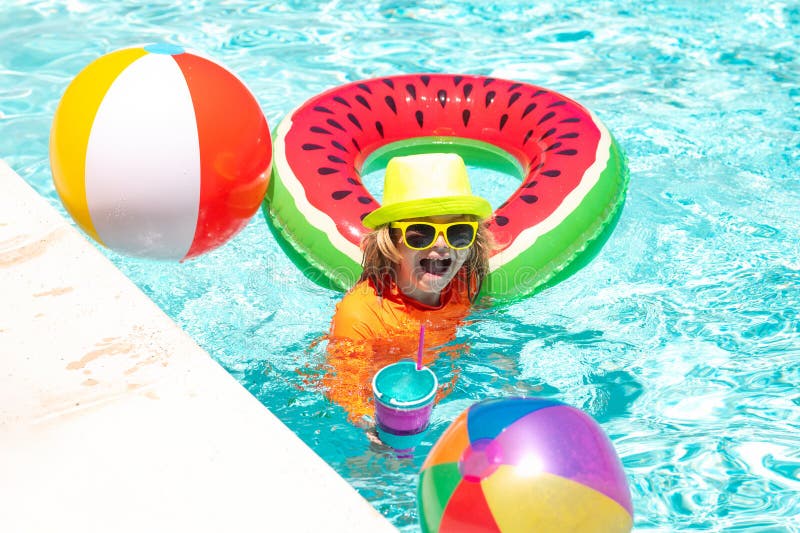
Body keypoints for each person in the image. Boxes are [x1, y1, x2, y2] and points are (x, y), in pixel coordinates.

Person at [324, 152, 494, 423]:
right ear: (391, 241)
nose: (441, 245)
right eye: (421, 233)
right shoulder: (362, 315)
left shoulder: (466, 283)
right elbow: (345, 392)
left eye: (458, 232)